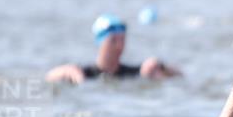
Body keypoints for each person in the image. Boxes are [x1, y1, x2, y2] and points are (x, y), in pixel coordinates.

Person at [46, 14, 180, 84]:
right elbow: (48, 78)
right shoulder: (84, 74)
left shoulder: (137, 72)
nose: (119, 46)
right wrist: (64, 70)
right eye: (114, 40)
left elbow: (180, 76)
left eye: (122, 40)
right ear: (101, 41)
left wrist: (161, 67)